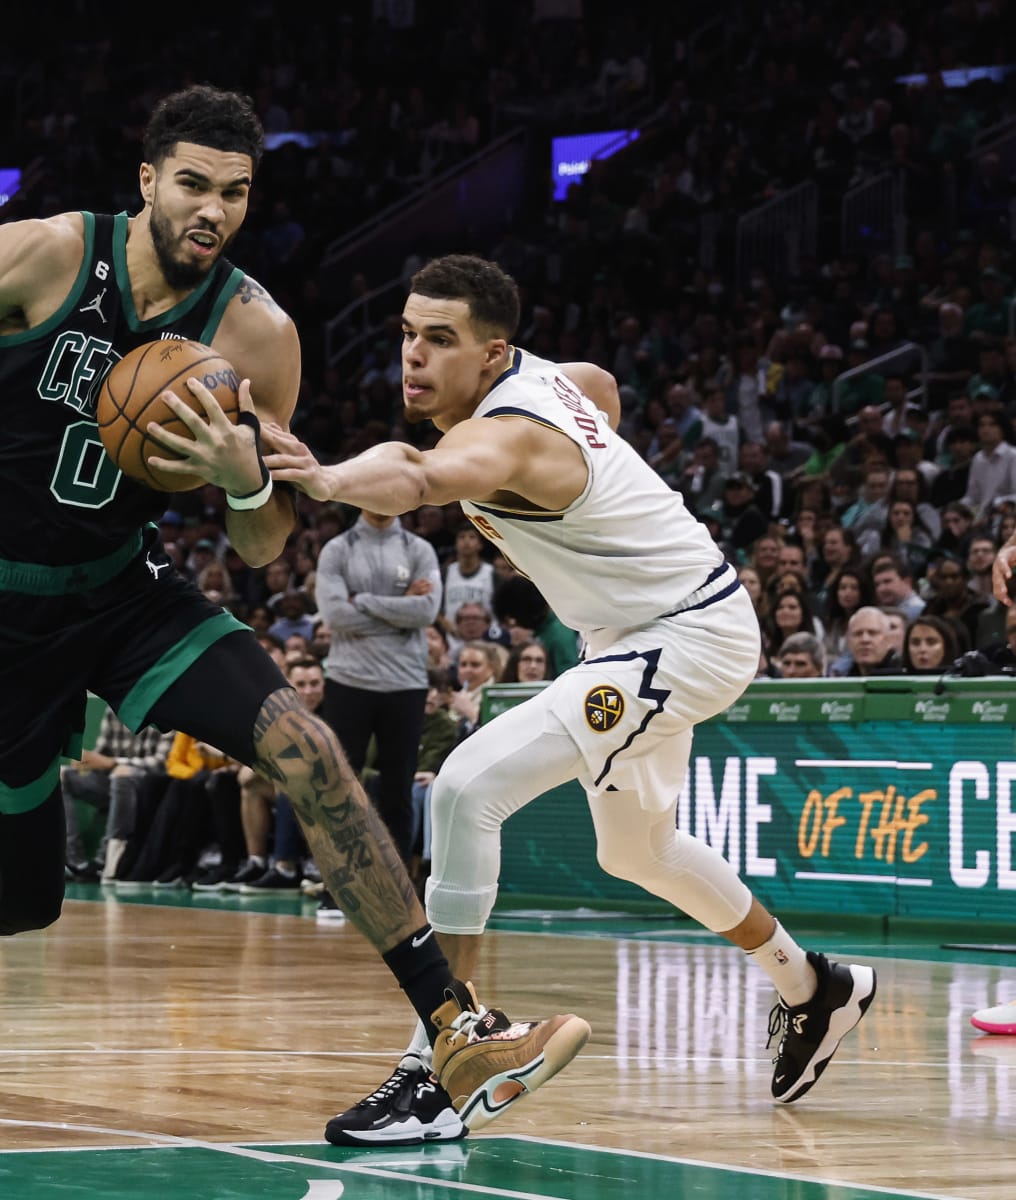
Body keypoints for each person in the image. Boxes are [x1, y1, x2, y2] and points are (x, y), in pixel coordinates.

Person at [0, 86, 585, 1143]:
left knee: (306, 748)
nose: (213, 209)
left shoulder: (258, 335)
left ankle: (453, 1025)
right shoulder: (40, 256)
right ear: (147, 182)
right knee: (29, 893)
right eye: (194, 185)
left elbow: (265, 550)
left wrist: (246, 482)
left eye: (236, 192)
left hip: (128, 592)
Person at [263, 254, 877, 1113]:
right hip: (642, 635)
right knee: (637, 851)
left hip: (684, 636)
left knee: (465, 790)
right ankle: (813, 985)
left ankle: (441, 1062)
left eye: (439, 340)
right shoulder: (547, 383)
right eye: (407, 335)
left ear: (491, 354)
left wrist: (324, 478)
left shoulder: (507, 434)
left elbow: (420, 474)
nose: (412, 356)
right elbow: (600, 384)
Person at [314, 507, 440, 869]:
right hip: (348, 680)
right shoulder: (337, 549)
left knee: (397, 791)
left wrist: (363, 601)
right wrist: (401, 609)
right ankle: (339, 883)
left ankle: (397, 890)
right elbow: (335, 616)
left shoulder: (419, 549)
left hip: (406, 682)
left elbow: (427, 612)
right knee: (340, 788)